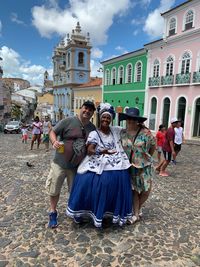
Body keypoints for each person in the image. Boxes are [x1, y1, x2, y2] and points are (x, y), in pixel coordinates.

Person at [66, 103, 133, 228]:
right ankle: (87, 211)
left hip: (116, 162)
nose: (106, 120)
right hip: (98, 160)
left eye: (108, 118)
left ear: (111, 119)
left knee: (120, 179)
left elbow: (130, 129)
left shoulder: (116, 131)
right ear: (100, 118)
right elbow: (90, 150)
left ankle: (112, 212)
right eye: (104, 117)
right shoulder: (94, 134)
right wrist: (102, 151)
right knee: (87, 181)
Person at [46, 101, 96, 228]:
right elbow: (52, 132)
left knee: (74, 191)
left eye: (90, 110)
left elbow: (94, 144)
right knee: (54, 189)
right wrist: (54, 142)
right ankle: (53, 212)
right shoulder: (68, 121)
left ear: (92, 113)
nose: (87, 111)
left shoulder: (92, 128)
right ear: (81, 108)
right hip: (60, 163)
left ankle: (74, 212)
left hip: (76, 166)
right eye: (85, 108)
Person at [120, 107, 156, 223]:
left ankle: (136, 209)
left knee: (146, 190)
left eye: (133, 119)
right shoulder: (123, 133)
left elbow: (153, 146)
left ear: (137, 120)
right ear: (126, 119)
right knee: (134, 190)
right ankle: (135, 213)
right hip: (130, 167)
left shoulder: (146, 133)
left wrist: (145, 157)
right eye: (129, 118)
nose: (131, 121)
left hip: (144, 167)